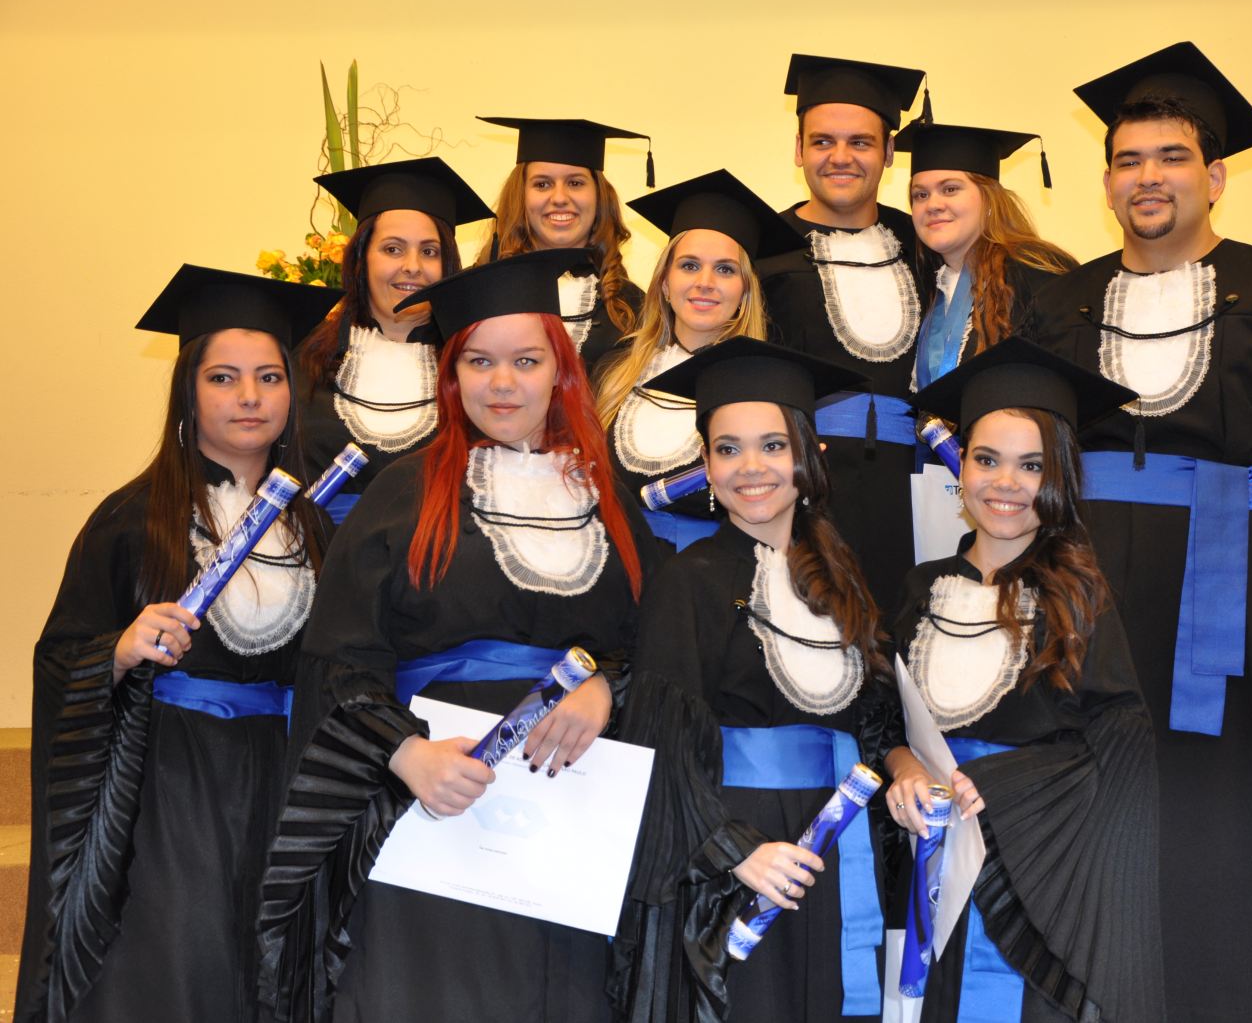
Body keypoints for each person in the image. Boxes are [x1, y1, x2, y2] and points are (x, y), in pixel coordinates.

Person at [1029, 42, 1252, 1022]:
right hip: (1091, 590)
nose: (1147, 177)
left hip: (1237, 593)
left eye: (1171, 157)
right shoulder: (1057, 306)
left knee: (1232, 807)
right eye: (1128, 160)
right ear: (1107, 180)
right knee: (1099, 797)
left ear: (1216, 175)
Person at [255, 249, 658, 1023]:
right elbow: (338, 658)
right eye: (479, 361)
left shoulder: (605, 497)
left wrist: (609, 686)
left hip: (570, 822)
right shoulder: (403, 493)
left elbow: (658, 643)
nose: (502, 382)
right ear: (451, 374)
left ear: (561, 371)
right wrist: (407, 754)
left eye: (526, 360)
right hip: (428, 814)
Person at [17, 266, 335, 1023]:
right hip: (171, 787)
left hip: (285, 781)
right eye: (224, 378)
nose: (250, 396)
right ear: (188, 392)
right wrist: (120, 650)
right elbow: (59, 657)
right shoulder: (133, 518)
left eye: (269, 377)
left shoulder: (318, 525)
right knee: (179, 971)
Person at [880, 339, 1162, 1022]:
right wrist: (902, 766)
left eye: (1031, 465)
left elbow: (1118, 735)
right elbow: (885, 715)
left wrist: (1006, 784)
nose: (1005, 482)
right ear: (961, 466)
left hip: (1033, 858)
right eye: (986, 459)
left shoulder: (1077, 596)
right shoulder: (919, 588)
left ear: (1058, 476)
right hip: (926, 847)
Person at [610, 338, 888, 1022]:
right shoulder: (687, 579)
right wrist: (735, 850)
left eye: (772, 445)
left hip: (835, 842)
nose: (751, 467)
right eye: (728, 449)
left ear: (808, 456)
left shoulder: (845, 576)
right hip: (735, 852)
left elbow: (874, 717)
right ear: (705, 465)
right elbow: (660, 746)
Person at [758, 54, 928, 611]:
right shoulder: (762, 249)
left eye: (860, 142)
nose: (840, 157)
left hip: (913, 487)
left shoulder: (925, 246)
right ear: (799, 149)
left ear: (889, 152)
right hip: (805, 486)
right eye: (823, 141)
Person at [893, 120, 1079, 563]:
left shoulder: (1039, 275)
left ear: (988, 196)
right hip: (942, 490)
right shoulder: (927, 287)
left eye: (950, 189)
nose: (933, 204)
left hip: (1020, 497)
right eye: (920, 195)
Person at [594, 169, 803, 551]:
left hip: (713, 568)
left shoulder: (767, 387)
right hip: (616, 563)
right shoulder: (616, 371)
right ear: (664, 283)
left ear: (745, 291)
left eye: (725, 269)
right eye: (689, 265)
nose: (705, 282)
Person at [297, 157, 494, 521]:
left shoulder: (476, 367)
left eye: (429, 251)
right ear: (362, 259)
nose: (412, 266)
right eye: (393, 249)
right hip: (321, 553)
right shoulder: (303, 363)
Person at [476, 116, 653, 372]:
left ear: (599, 196)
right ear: (520, 196)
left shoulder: (633, 307)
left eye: (575, 183)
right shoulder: (475, 291)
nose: (559, 198)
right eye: (542, 184)